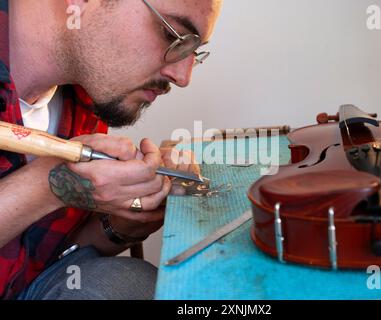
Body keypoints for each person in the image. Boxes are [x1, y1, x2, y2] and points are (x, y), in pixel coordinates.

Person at [0, 0, 223, 300]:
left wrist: (121, 224)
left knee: (130, 283)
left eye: (193, 52)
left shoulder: (88, 92)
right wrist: (47, 185)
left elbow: (40, 263)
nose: (182, 77)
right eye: (174, 36)